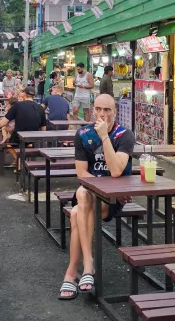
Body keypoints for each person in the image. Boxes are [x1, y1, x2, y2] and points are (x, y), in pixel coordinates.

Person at [58, 94, 135, 299]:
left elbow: (116, 170)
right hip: (90, 194)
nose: (102, 114)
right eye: (98, 109)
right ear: (92, 110)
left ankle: (73, 272)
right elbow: (82, 173)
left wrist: (104, 137)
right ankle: (87, 266)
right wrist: (101, 187)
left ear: (115, 112)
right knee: (82, 194)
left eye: (107, 110)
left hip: (113, 199)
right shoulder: (83, 134)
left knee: (77, 213)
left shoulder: (124, 135)